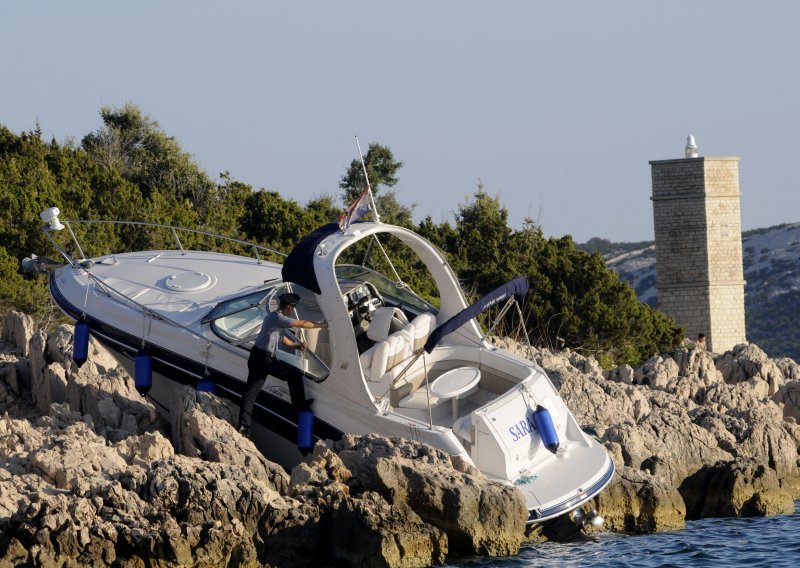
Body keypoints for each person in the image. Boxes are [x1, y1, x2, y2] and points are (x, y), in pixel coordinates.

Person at [238, 292, 328, 436]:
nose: (292, 310)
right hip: (263, 358)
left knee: (251, 393)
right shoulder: (278, 317)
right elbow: (301, 324)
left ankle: (244, 427)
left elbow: (282, 337)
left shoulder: (275, 318)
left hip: (259, 357)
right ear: (290, 307)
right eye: (292, 307)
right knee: (294, 374)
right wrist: (323, 325)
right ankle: (298, 405)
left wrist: (296, 346)